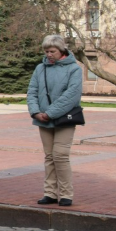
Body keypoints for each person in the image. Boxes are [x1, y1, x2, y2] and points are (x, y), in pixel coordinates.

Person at [26, 34, 83, 207]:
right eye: (46, 51)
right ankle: (50, 192)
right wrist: (35, 112)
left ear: (61, 50)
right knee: (49, 156)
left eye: (52, 51)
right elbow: (32, 91)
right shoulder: (40, 69)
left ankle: (66, 194)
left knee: (60, 155)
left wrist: (50, 112)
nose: (49, 54)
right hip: (43, 119)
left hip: (64, 119)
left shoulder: (74, 69)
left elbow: (71, 96)